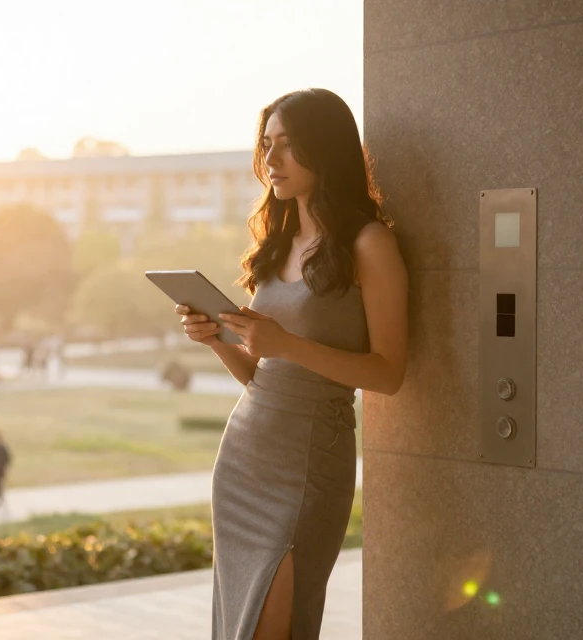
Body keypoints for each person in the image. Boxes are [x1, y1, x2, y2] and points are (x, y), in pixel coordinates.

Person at [175, 89, 409, 640]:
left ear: (325, 151)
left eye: (289, 146)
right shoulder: (276, 245)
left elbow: (390, 373)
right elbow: (264, 376)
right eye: (267, 145)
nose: (272, 161)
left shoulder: (369, 243)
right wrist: (215, 340)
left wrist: (286, 344)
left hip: (309, 464)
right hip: (244, 458)